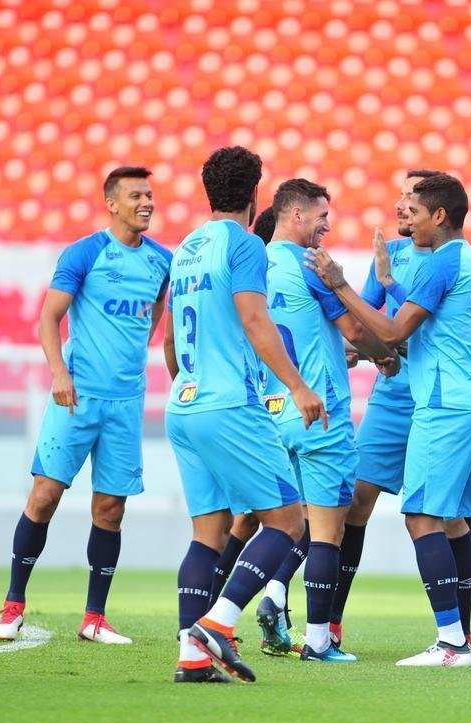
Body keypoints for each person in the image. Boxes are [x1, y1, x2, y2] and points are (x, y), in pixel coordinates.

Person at [309, 174, 471, 668]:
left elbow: (390, 331)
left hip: (446, 405)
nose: (409, 218)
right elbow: (425, 335)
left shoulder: (442, 260)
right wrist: (385, 286)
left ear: (439, 216)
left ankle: (451, 643)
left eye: (416, 210)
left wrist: (339, 284)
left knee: (422, 516)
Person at [0, 167, 171, 645]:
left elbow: (154, 313)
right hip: (76, 398)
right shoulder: (85, 253)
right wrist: (60, 374)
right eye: (136, 195)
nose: (146, 202)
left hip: (126, 404)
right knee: (45, 496)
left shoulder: (162, 262)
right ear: (111, 203)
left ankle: (94, 618)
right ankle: (13, 605)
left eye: (150, 195)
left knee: (110, 509)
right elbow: (49, 318)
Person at [165, 146, 327, 684]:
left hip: (183, 404)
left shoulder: (187, 247)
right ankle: (220, 623)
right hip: (229, 402)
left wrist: (192, 392)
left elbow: (168, 341)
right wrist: (299, 387)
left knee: (207, 534)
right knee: (286, 520)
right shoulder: (244, 244)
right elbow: (256, 321)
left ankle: (191, 658)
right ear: (256, 192)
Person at [254, 178, 397, 662]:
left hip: (275, 410)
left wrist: (346, 352)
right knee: (328, 532)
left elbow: (294, 334)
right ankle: (318, 639)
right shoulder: (312, 264)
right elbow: (354, 325)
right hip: (322, 413)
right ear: (295, 216)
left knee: (292, 523)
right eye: (320, 217)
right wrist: (386, 356)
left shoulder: (254, 264)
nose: (327, 226)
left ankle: (274, 593)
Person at [341, 169, 471, 650]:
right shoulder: (393, 255)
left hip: (439, 396)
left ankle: (458, 631)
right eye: (399, 196)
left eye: (410, 198)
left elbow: (400, 333)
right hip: (397, 396)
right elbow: (364, 325)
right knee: (356, 499)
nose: (400, 205)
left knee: (449, 517)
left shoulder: (450, 262)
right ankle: (331, 625)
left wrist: (385, 347)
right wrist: (374, 350)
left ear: (434, 211)